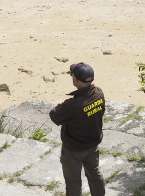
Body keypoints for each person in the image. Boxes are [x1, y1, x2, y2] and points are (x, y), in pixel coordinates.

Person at [49, 62, 106, 196]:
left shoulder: (73, 105)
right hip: (92, 144)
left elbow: (54, 115)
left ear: (75, 79)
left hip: (73, 149)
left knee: (73, 182)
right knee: (95, 175)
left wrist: (66, 105)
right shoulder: (98, 93)